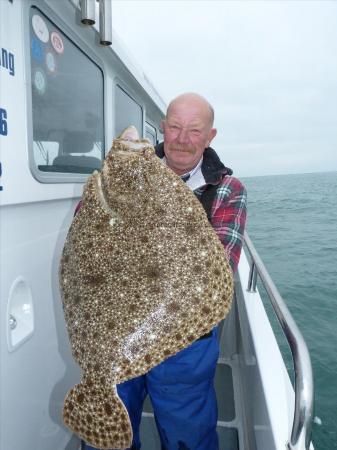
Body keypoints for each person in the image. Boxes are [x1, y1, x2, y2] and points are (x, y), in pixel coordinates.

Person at [84, 92, 247, 450]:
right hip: (117, 328)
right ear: (163, 127)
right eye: (174, 127)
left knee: (186, 430)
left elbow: (219, 269)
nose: (182, 138)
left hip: (183, 339)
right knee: (108, 429)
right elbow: (88, 235)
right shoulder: (117, 177)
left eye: (194, 130)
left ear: (210, 136)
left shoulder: (227, 190)